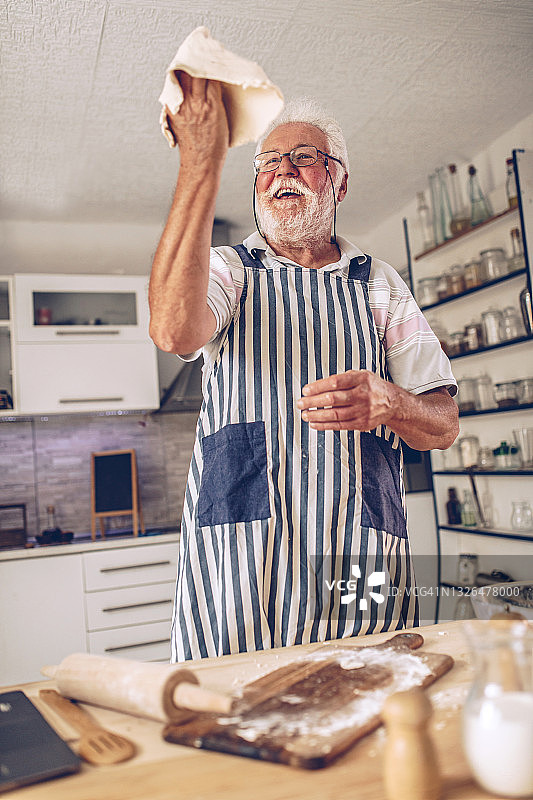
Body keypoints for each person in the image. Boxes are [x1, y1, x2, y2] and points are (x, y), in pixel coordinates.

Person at [149, 76, 459, 662]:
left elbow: (443, 425)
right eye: (267, 164)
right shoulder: (228, 272)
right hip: (239, 562)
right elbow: (172, 329)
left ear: (338, 179)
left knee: (371, 705)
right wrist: (200, 164)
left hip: (360, 559)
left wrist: (393, 403)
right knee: (233, 718)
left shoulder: (382, 286)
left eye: (304, 158)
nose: (282, 172)